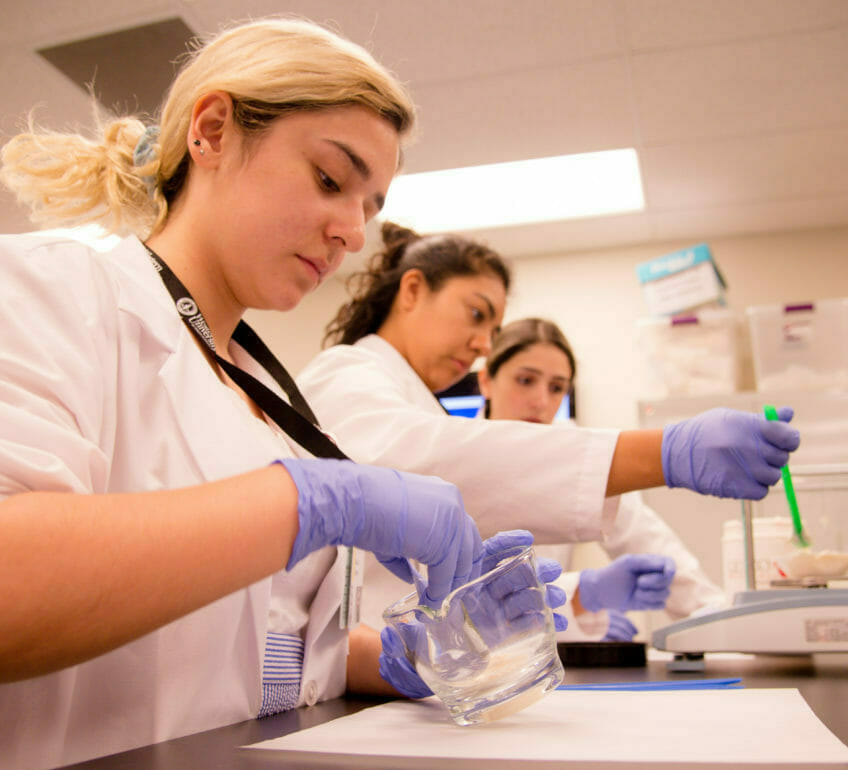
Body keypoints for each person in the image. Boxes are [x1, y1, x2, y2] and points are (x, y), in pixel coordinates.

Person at [0, 18, 554, 770]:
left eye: (368, 206)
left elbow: (247, 640)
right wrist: (307, 504)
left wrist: (400, 658)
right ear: (212, 131)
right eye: (330, 179)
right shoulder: (51, 291)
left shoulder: (271, 399)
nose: (353, 233)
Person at [297, 222, 800, 669]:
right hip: (358, 669)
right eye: (476, 313)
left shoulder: (421, 407)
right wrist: (661, 453)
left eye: (493, 329)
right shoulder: (347, 372)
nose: (483, 344)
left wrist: (728, 625)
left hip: (420, 675)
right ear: (412, 290)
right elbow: (414, 468)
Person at [477, 316, 729, 642]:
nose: (541, 402)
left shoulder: (571, 454)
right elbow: (460, 601)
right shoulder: (452, 457)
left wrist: (720, 621)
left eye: (556, 388)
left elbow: (647, 539)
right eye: (525, 380)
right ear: (486, 381)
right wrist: (582, 598)